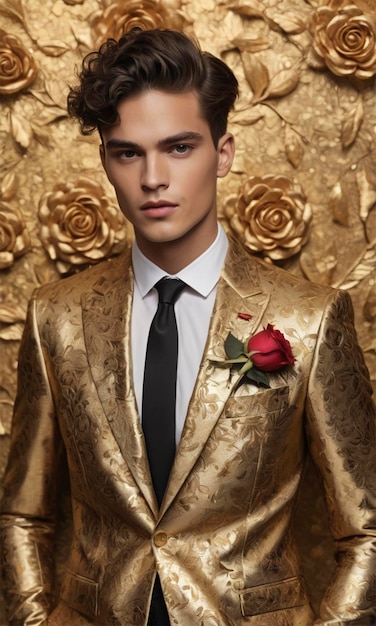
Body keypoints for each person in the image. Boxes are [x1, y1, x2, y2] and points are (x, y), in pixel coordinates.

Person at [0, 27, 375, 626]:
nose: (153, 178)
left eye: (179, 147)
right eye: (128, 152)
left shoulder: (310, 317)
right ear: (105, 161)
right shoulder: (57, 316)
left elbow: (368, 530)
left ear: (222, 153)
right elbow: (22, 515)